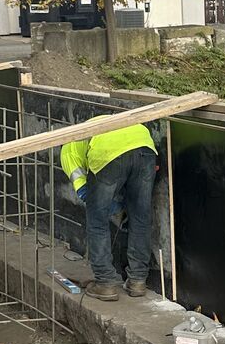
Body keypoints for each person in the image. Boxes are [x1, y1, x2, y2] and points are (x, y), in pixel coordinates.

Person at [60, 122, 157, 301]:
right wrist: (119, 205)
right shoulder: (97, 125)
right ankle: (137, 281)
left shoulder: (67, 151)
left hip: (108, 153)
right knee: (140, 218)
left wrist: (112, 208)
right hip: (144, 145)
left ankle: (105, 283)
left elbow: (85, 193)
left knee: (97, 220)